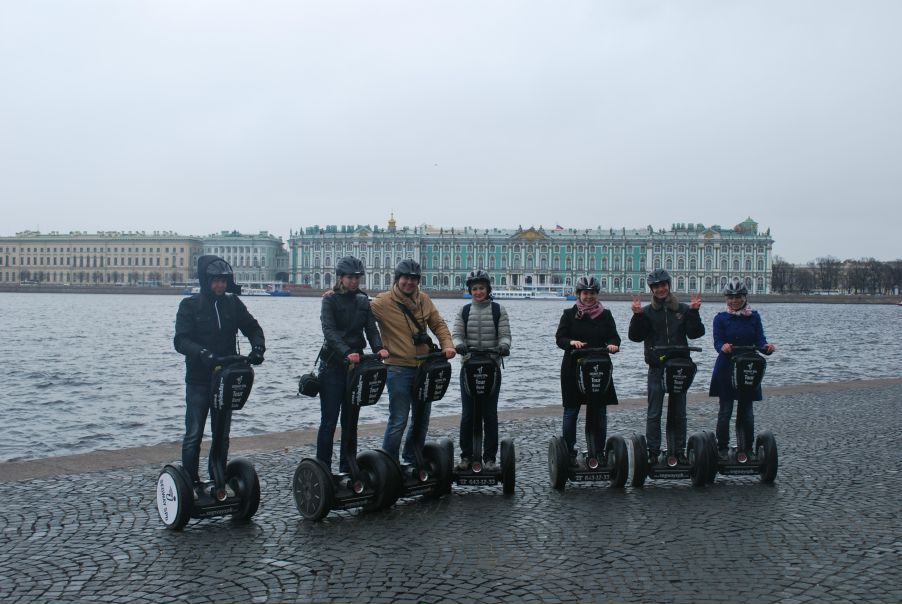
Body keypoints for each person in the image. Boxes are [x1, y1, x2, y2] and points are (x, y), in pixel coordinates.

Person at [173, 255, 265, 497]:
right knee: (194, 434)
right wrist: (202, 353)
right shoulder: (189, 306)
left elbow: (252, 327)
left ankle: (218, 479)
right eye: (215, 281)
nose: (220, 285)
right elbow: (180, 340)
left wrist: (258, 348)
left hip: (226, 378)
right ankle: (191, 483)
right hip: (199, 380)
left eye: (223, 281)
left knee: (221, 435)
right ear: (206, 281)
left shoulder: (232, 304)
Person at [371, 259, 455, 464]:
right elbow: (358, 311)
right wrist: (336, 294)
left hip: (424, 368)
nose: (409, 282)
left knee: (421, 420)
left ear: (418, 281)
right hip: (398, 369)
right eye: (405, 278)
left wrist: (447, 345)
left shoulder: (424, 299)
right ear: (397, 279)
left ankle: (411, 459)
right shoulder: (382, 302)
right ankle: (389, 465)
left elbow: (438, 324)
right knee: (398, 419)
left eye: (414, 279)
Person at [317, 256, 389, 474]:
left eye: (357, 278)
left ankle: (348, 468)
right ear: (340, 277)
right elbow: (329, 331)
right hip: (332, 367)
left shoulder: (362, 299)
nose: (354, 281)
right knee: (329, 422)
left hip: (356, 369)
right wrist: (346, 352)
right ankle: (323, 469)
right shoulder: (329, 300)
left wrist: (379, 348)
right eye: (350, 277)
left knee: (351, 421)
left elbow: (371, 328)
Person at [628, 268, 704, 465]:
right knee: (654, 412)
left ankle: (678, 451)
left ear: (669, 285)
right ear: (651, 289)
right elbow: (635, 337)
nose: (660, 289)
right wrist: (637, 316)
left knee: (679, 413)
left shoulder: (683, 309)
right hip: (657, 368)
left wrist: (694, 312)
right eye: (656, 287)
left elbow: (695, 333)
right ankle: (653, 452)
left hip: (679, 367)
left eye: (663, 285)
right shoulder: (646, 312)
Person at [451, 270, 512, 472]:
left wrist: (504, 346)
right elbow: (457, 334)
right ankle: (466, 456)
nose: (478, 292)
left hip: (491, 366)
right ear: (470, 291)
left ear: (488, 289)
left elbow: (505, 334)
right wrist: (459, 345)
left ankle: (490, 458)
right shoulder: (464, 311)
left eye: (482, 288)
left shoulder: (498, 310)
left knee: (490, 414)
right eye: (475, 289)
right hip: (469, 366)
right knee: (468, 414)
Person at [554, 276, 620, 463]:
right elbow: (560, 338)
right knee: (571, 410)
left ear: (597, 294)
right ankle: (569, 452)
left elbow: (614, 337)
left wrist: (613, 345)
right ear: (578, 294)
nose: (589, 296)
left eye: (592, 293)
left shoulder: (605, 314)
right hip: (573, 368)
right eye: (585, 293)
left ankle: (598, 451)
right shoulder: (569, 314)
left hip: (599, 368)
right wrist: (571, 342)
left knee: (599, 411)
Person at [709, 278, 776, 458]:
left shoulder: (754, 317)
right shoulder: (720, 318)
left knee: (747, 412)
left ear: (745, 297)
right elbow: (717, 341)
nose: (734, 300)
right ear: (726, 299)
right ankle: (722, 448)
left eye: (738, 296)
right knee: (725, 411)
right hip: (726, 369)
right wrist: (723, 347)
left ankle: (746, 448)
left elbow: (760, 340)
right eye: (731, 297)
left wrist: (767, 348)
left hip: (747, 369)